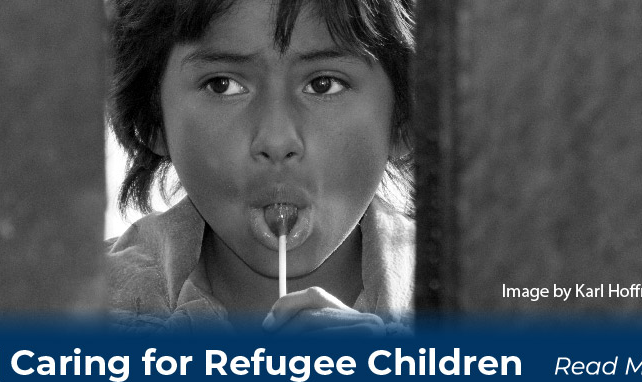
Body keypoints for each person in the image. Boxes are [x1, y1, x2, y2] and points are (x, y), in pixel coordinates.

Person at [106, 0, 415, 335]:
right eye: (222, 84)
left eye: (324, 84)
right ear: (154, 120)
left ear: (404, 120)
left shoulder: (471, 300)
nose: (277, 140)